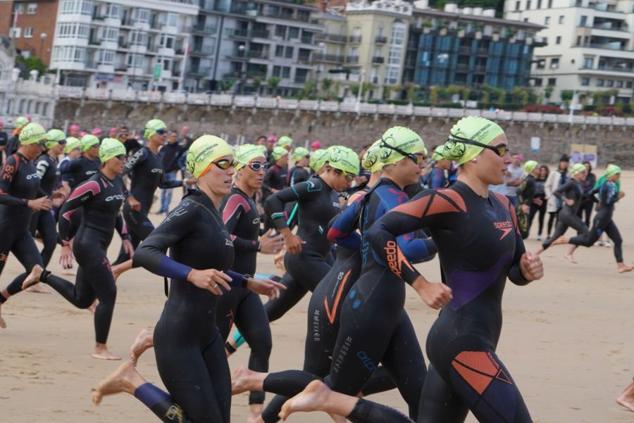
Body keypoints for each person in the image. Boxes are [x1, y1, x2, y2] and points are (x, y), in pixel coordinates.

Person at [277, 116, 544, 423]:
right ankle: (325, 396)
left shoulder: (504, 205)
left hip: (480, 335)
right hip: (459, 341)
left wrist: (527, 270)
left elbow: (514, 272)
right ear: (473, 154)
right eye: (500, 149)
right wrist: (419, 283)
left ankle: (333, 399)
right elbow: (379, 233)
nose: (508, 158)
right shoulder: (446, 200)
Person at [233, 128, 438, 420]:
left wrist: (370, 247)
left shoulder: (364, 198)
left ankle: (334, 402)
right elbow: (400, 249)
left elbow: (336, 233)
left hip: (374, 297)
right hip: (341, 295)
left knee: (414, 382)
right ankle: (257, 385)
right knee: (324, 380)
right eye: (417, 158)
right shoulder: (371, 198)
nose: (421, 165)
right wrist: (437, 241)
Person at [91, 135, 284, 422]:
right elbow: (146, 252)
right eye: (223, 163)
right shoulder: (191, 208)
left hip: (208, 335)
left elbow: (210, 267)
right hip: (178, 337)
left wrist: (246, 282)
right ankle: (134, 383)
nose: (231, 170)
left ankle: (131, 380)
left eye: (233, 164)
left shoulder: (214, 212)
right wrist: (191, 275)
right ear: (203, 168)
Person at [17, 138, 134, 359]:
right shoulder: (93, 183)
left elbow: (117, 213)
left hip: (100, 244)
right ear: (108, 158)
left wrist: (126, 236)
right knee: (108, 294)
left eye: (124, 157)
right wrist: (64, 243)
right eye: (120, 157)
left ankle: (41, 274)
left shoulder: (118, 181)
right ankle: (100, 348)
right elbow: (66, 212)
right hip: (87, 244)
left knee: (82, 299)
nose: (123, 161)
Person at [218, 144, 284, 420]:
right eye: (255, 165)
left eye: (264, 165)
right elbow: (219, 236)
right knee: (213, 350)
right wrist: (258, 245)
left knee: (262, 343)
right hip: (226, 285)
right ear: (241, 168)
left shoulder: (249, 201)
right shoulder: (234, 200)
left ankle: (255, 412)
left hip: (245, 288)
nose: (261, 171)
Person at [261, 145, 358, 323]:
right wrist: (288, 235)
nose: (350, 182)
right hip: (304, 257)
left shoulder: (333, 193)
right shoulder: (313, 186)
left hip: (316, 258)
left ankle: (225, 346)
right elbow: (273, 200)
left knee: (271, 312)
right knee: (338, 304)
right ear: (331, 170)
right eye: (348, 176)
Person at [0, 123, 52, 328]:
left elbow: (34, 189)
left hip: (21, 230)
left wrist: (51, 197)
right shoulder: (13, 162)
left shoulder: (31, 163)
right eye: (40, 143)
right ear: (29, 142)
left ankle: (2, 298)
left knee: (37, 270)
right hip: (4, 229)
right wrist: (28, 203)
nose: (42, 148)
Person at [113, 119, 184, 266]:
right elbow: (119, 173)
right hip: (134, 208)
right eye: (160, 132)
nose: (165, 135)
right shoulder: (142, 153)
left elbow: (163, 184)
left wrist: (184, 183)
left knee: (127, 254)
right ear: (150, 134)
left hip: (144, 208)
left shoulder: (158, 157)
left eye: (166, 132)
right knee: (155, 242)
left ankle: (109, 274)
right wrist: (129, 198)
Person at [551, 165, 633, 273]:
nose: (619, 176)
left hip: (606, 218)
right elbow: (609, 201)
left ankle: (621, 265)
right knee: (589, 241)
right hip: (602, 218)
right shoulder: (611, 185)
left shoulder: (604, 183)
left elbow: (591, 193)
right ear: (611, 174)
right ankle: (565, 240)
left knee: (618, 240)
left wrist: (598, 201)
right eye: (617, 174)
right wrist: (618, 196)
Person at [535, 163, 589, 260]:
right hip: (567, 214)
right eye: (583, 172)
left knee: (553, 238)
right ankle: (568, 251)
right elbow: (556, 191)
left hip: (566, 215)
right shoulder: (571, 182)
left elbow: (581, 198)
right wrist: (565, 199)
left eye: (585, 172)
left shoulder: (578, 184)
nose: (585, 174)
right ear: (576, 173)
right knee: (585, 232)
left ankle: (535, 254)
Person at [30, 129, 68, 267]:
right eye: (61, 142)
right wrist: (47, 196)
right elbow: (34, 184)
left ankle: (36, 277)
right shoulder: (44, 161)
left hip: (45, 206)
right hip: (35, 207)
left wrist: (52, 195)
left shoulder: (54, 160)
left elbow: (43, 185)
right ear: (51, 144)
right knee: (25, 242)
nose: (64, 144)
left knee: (51, 241)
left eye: (65, 141)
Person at [157, 130, 185, 214]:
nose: (174, 138)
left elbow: (182, 160)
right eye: (172, 136)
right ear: (169, 137)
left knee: (169, 192)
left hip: (172, 172)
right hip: (163, 172)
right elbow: (159, 159)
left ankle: (166, 209)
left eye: (175, 136)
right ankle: (162, 208)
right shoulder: (164, 148)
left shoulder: (180, 148)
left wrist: (178, 167)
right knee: (163, 191)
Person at [544, 154, 569, 238]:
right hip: (553, 198)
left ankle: (556, 235)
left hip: (563, 199)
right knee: (551, 217)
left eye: (566, 162)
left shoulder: (568, 174)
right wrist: (549, 196)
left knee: (560, 218)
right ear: (560, 163)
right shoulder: (554, 173)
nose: (564, 164)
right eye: (563, 162)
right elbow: (547, 185)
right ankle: (548, 234)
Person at [528, 165, 548, 241]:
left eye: (544, 170)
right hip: (534, 200)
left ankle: (539, 234)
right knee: (530, 217)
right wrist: (534, 199)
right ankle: (527, 232)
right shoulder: (534, 179)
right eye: (541, 170)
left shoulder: (548, 180)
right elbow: (530, 191)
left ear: (546, 171)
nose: (543, 172)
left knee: (541, 218)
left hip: (544, 201)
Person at [577, 160, 596, 227]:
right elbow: (578, 186)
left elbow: (592, 187)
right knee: (579, 218)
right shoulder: (579, 175)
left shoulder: (592, 176)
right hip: (580, 200)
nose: (586, 168)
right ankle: (579, 234)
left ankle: (586, 234)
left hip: (589, 200)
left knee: (587, 219)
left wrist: (586, 194)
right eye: (585, 166)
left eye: (588, 166)